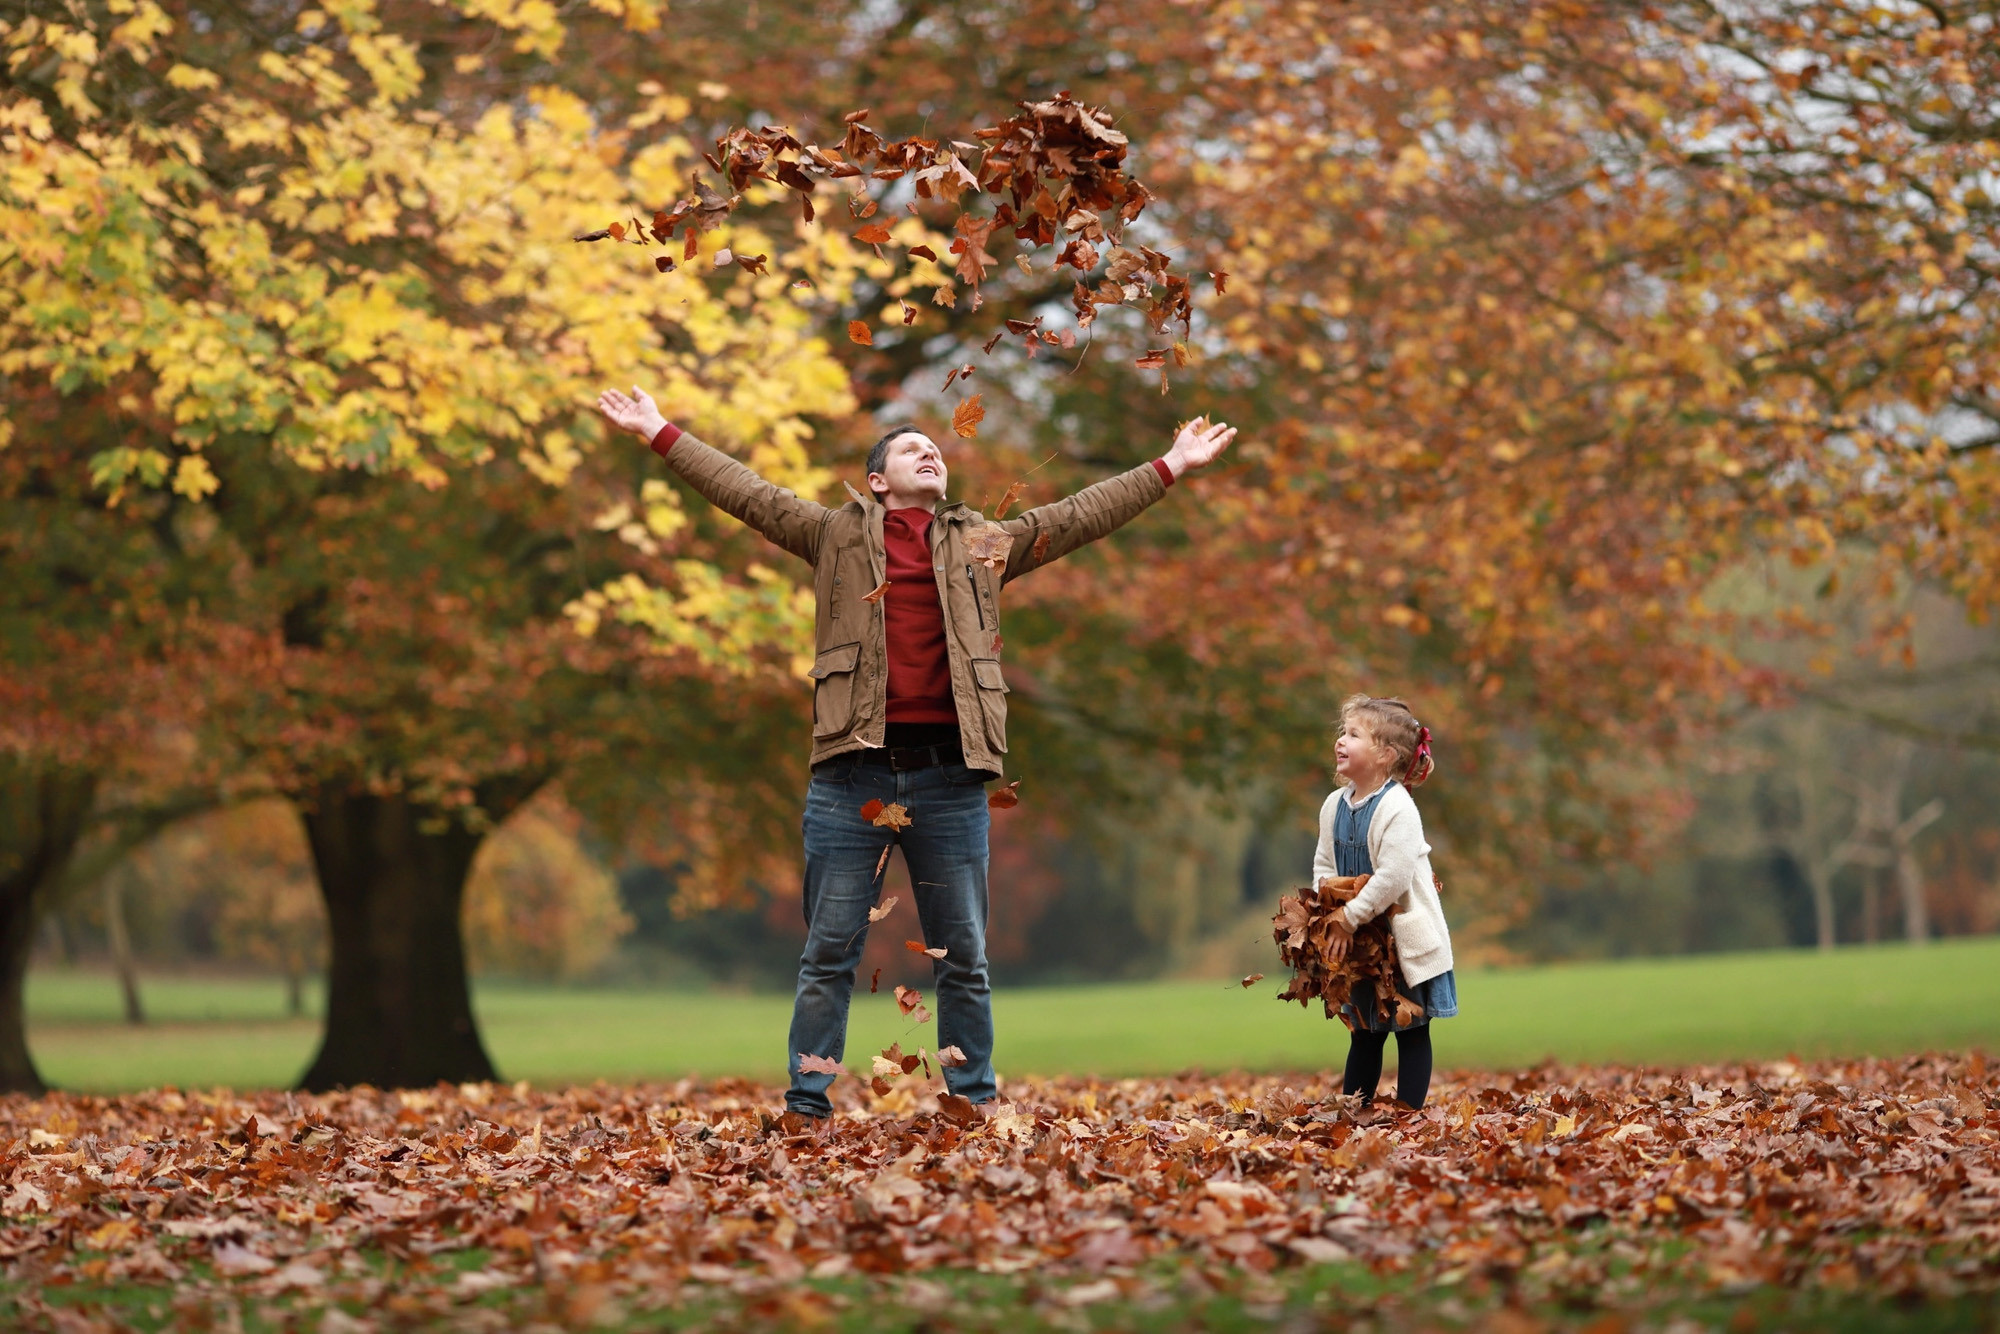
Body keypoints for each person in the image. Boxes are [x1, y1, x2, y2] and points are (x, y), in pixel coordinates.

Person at [596, 385, 1237, 1123]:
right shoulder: (833, 535)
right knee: (827, 955)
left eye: (935, 448)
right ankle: (806, 1108)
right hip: (852, 780)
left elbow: (1074, 516)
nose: (930, 451)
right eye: (910, 448)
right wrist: (658, 430)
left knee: (963, 958)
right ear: (877, 480)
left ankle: (973, 1103)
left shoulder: (982, 543)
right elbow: (746, 491)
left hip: (950, 779)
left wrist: (1170, 464)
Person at [1313, 693, 1456, 1111]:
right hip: (1358, 939)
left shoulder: (1397, 807)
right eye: (1343, 732)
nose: (1341, 740)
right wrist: (1329, 910)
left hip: (1401, 940)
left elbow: (1392, 878)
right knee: (1363, 1029)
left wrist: (1348, 917)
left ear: (1385, 755)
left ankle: (1409, 1117)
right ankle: (1354, 1112)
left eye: (1354, 734)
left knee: (1412, 1029)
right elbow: (1324, 863)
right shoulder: (1333, 806)